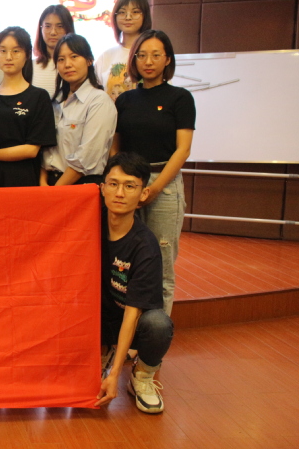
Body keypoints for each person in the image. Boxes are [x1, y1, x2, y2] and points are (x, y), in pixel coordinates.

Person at [111, 30, 195, 316]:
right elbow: (116, 148)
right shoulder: (125, 100)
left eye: (156, 55)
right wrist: (120, 185)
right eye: (142, 55)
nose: (148, 61)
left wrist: (154, 189)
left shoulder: (180, 98)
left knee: (161, 265)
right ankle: (126, 331)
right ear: (134, 59)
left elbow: (183, 150)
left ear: (167, 59)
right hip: (129, 185)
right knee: (125, 260)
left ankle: (154, 337)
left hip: (164, 185)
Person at [95, 152, 174, 414]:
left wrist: (115, 374)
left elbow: (133, 312)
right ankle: (101, 352)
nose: (119, 193)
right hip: (96, 316)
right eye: (113, 184)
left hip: (128, 319)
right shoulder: (88, 223)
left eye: (130, 186)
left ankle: (142, 375)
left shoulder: (145, 246)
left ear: (143, 193)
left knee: (158, 324)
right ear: (102, 188)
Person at [0, 27, 56, 188]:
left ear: (27, 54)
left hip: (26, 181)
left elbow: (31, 150)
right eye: (2, 51)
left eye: (16, 51)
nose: (9, 57)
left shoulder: (39, 97)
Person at [41, 34, 117, 186]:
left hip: (81, 184)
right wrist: (43, 183)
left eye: (74, 57)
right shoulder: (55, 102)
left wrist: (55, 191)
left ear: (89, 60)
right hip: (50, 182)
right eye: (61, 59)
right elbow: (44, 149)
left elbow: (87, 157)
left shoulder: (99, 101)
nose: (67, 64)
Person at [95, 0, 152, 101]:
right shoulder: (106, 56)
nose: (128, 17)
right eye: (122, 12)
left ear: (145, 16)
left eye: (135, 12)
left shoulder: (152, 55)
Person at [32, 4, 75, 97]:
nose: (53, 32)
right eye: (48, 26)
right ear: (41, 28)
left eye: (60, 26)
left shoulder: (76, 66)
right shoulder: (30, 66)